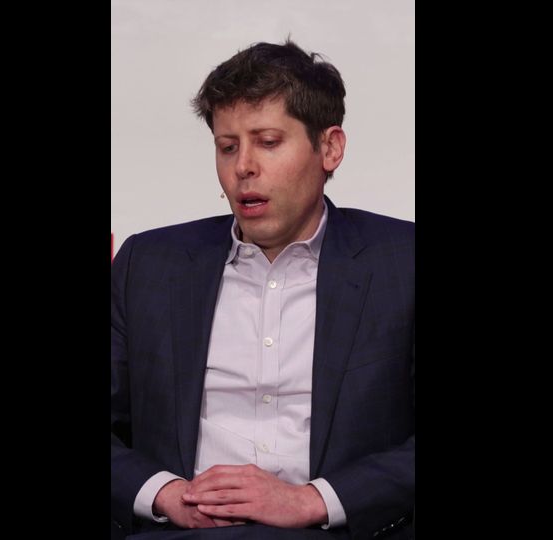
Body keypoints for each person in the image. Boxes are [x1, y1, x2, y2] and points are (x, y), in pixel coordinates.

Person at [111, 39, 414, 539]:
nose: (243, 167)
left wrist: (312, 501)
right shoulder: (147, 264)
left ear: (330, 148)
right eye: (227, 147)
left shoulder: (402, 262)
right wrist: (165, 494)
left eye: (268, 142)